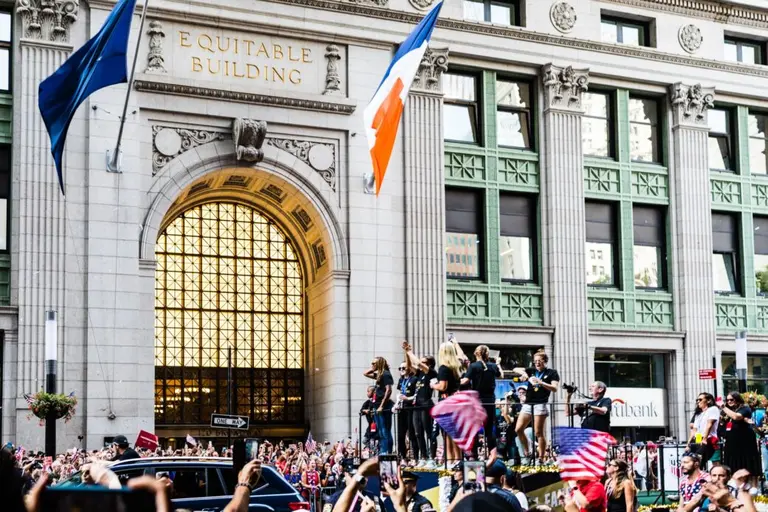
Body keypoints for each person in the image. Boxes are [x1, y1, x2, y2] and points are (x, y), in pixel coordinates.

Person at [512, 349, 560, 463]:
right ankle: (528, 450)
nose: (537, 363)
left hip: (540, 403)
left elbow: (555, 388)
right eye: (535, 361)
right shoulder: (532, 371)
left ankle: (541, 457)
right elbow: (515, 368)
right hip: (528, 403)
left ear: (545, 361)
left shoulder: (552, 372)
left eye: (539, 361)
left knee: (538, 432)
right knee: (518, 429)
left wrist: (541, 382)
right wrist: (523, 374)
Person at [403, 341, 437, 467]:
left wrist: (410, 351)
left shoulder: (431, 372)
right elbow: (409, 366)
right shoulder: (420, 373)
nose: (420, 363)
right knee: (417, 433)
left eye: (424, 362)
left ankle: (432, 458)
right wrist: (406, 353)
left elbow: (416, 363)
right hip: (416, 405)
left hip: (426, 404)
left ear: (429, 364)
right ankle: (423, 457)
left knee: (429, 432)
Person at [462, 345, 501, 453]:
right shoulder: (493, 366)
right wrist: (498, 363)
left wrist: (455, 382)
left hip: (477, 401)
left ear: (476, 353)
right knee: (489, 429)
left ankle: (473, 456)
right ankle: (492, 455)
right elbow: (500, 375)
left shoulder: (474, 366)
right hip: (490, 400)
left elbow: (465, 381)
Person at [432, 341, 462, 464]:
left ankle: (452, 460)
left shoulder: (443, 368)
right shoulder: (455, 368)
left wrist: (433, 385)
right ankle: (455, 459)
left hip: (446, 402)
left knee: (448, 433)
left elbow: (443, 386)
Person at [721, 391, 761, 478]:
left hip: (744, 441)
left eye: (731, 399)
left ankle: (751, 488)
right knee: (732, 465)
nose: (729, 402)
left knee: (748, 466)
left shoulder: (745, 408)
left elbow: (736, 417)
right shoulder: (729, 410)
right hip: (731, 442)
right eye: (727, 400)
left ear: (737, 399)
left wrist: (723, 407)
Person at [364, 357, 394, 454]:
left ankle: (386, 451)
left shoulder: (385, 374)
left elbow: (388, 390)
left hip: (383, 406)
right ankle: (384, 450)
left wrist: (381, 405)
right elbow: (365, 373)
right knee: (381, 431)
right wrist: (373, 368)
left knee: (385, 431)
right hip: (376, 406)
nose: (372, 365)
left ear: (380, 364)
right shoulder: (380, 375)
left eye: (374, 363)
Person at [687, 393, 719, 465]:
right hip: (698, 438)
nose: (698, 401)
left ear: (708, 401)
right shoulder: (698, 414)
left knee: (699, 461)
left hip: (708, 438)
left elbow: (709, 424)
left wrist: (704, 439)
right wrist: (688, 443)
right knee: (694, 461)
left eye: (700, 399)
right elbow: (694, 430)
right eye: (697, 400)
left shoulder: (713, 409)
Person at [395, 363, 418, 460]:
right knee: (400, 434)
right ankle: (403, 457)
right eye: (399, 368)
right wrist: (396, 403)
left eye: (403, 368)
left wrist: (408, 398)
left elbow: (417, 394)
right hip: (402, 408)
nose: (401, 370)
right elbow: (400, 393)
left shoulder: (414, 379)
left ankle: (416, 457)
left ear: (409, 368)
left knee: (412, 433)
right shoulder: (401, 380)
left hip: (411, 408)